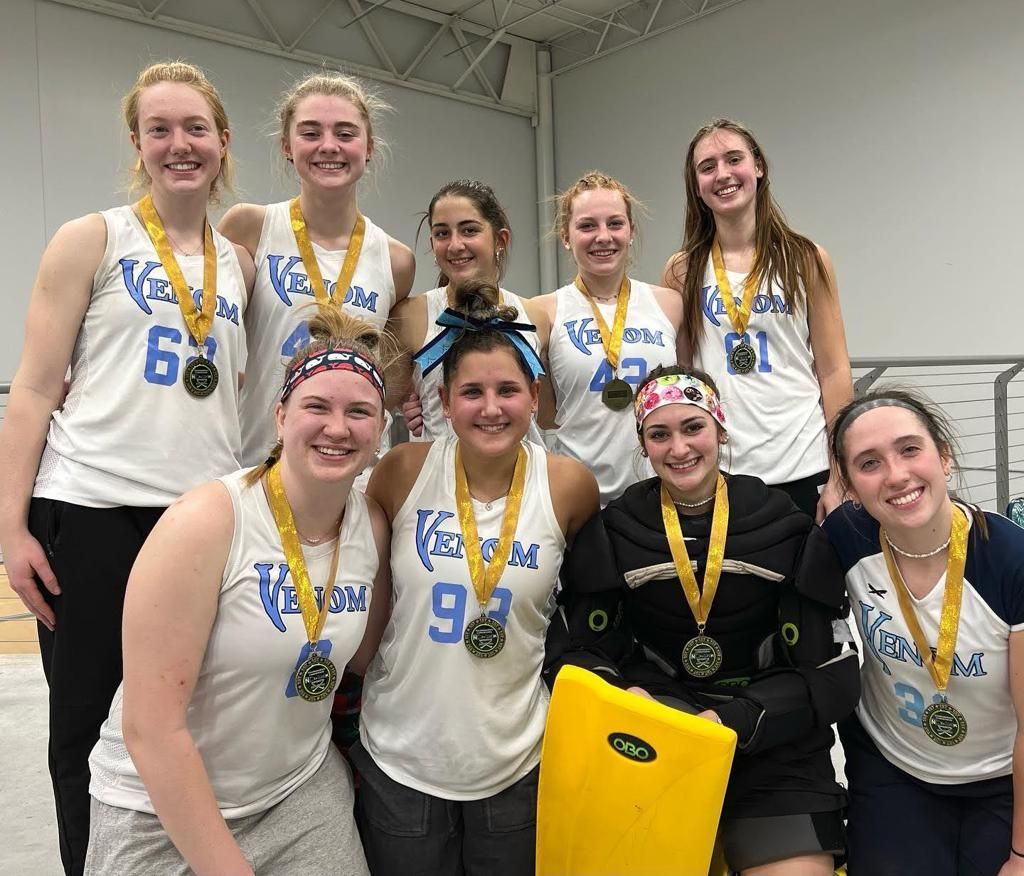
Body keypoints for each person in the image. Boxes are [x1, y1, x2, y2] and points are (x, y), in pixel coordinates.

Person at [0, 61, 253, 876]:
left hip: (201, 518)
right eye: (160, 130)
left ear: (222, 142)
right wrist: (9, 529)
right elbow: (34, 388)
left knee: (191, 718)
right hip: (92, 508)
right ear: (137, 144)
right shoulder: (93, 238)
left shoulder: (240, 265)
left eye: (195, 129)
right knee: (86, 723)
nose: (180, 145)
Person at [85, 305, 397, 875]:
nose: (337, 427)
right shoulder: (207, 522)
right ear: (280, 416)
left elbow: (368, 659)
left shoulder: (369, 526)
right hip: (159, 808)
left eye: (359, 412)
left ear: (379, 430)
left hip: (298, 794)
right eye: (316, 406)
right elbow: (150, 730)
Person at [547, 365, 859, 875]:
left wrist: (732, 720)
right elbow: (574, 653)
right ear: (643, 444)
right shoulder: (614, 531)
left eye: (693, 427)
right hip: (655, 744)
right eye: (659, 434)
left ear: (720, 429)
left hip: (773, 754)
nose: (679, 448)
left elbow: (832, 676)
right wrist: (627, 699)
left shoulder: (783, 524)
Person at [354, 280, 598, 876]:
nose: (491, 408)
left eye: (508, 390)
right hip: (401, 757)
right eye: (472, 392)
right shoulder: (403, 470)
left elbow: (590, 614)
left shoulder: (568, 485)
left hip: (515, 759)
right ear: (445, 397)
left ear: (533, 393)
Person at [823, 390, 1024, 876]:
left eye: (910, 449)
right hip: (894, 770)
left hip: (1002, 780)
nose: (896, 475)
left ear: (945, 456)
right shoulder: (844, 537)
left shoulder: (1010, 560)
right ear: (849, 486)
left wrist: (1021, 855)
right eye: (869, 463)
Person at [219, 70, 415, 469]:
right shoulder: (249, 228)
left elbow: (391, 376)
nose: (329, 146)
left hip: (349, 471)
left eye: (345, 134)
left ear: (369, 147)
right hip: (258, 462)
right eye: (311, 133)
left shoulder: (395, 260)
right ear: (287, 146)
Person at [662, 119, 853, 521]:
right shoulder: (682, 270)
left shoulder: (804, 258)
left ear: (759, 167)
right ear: (696, 184)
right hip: (722, 470)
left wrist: (841, 473)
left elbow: (834, 370)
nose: (723, 174)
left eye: (734, 159)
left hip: (805, 462)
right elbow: (680, 380)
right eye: (708, 166)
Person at [526, 171, 685, 506]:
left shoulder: (669, 303)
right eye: (587, 226)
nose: (603, 237)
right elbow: (544, 410)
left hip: (659, 492)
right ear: (566, 236)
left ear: (631, 231)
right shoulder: (543, 311)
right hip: (579, 495)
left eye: (615, 224)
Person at [394, 179, 541, 444]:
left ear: (500, 239)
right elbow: (384, 398)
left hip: (521, 475)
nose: (455, 245)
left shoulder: (536, 316)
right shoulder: (410, 316)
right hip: (440, 476)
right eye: (442, 233)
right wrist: (409, 403)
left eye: (469, 230)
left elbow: (548, 413)